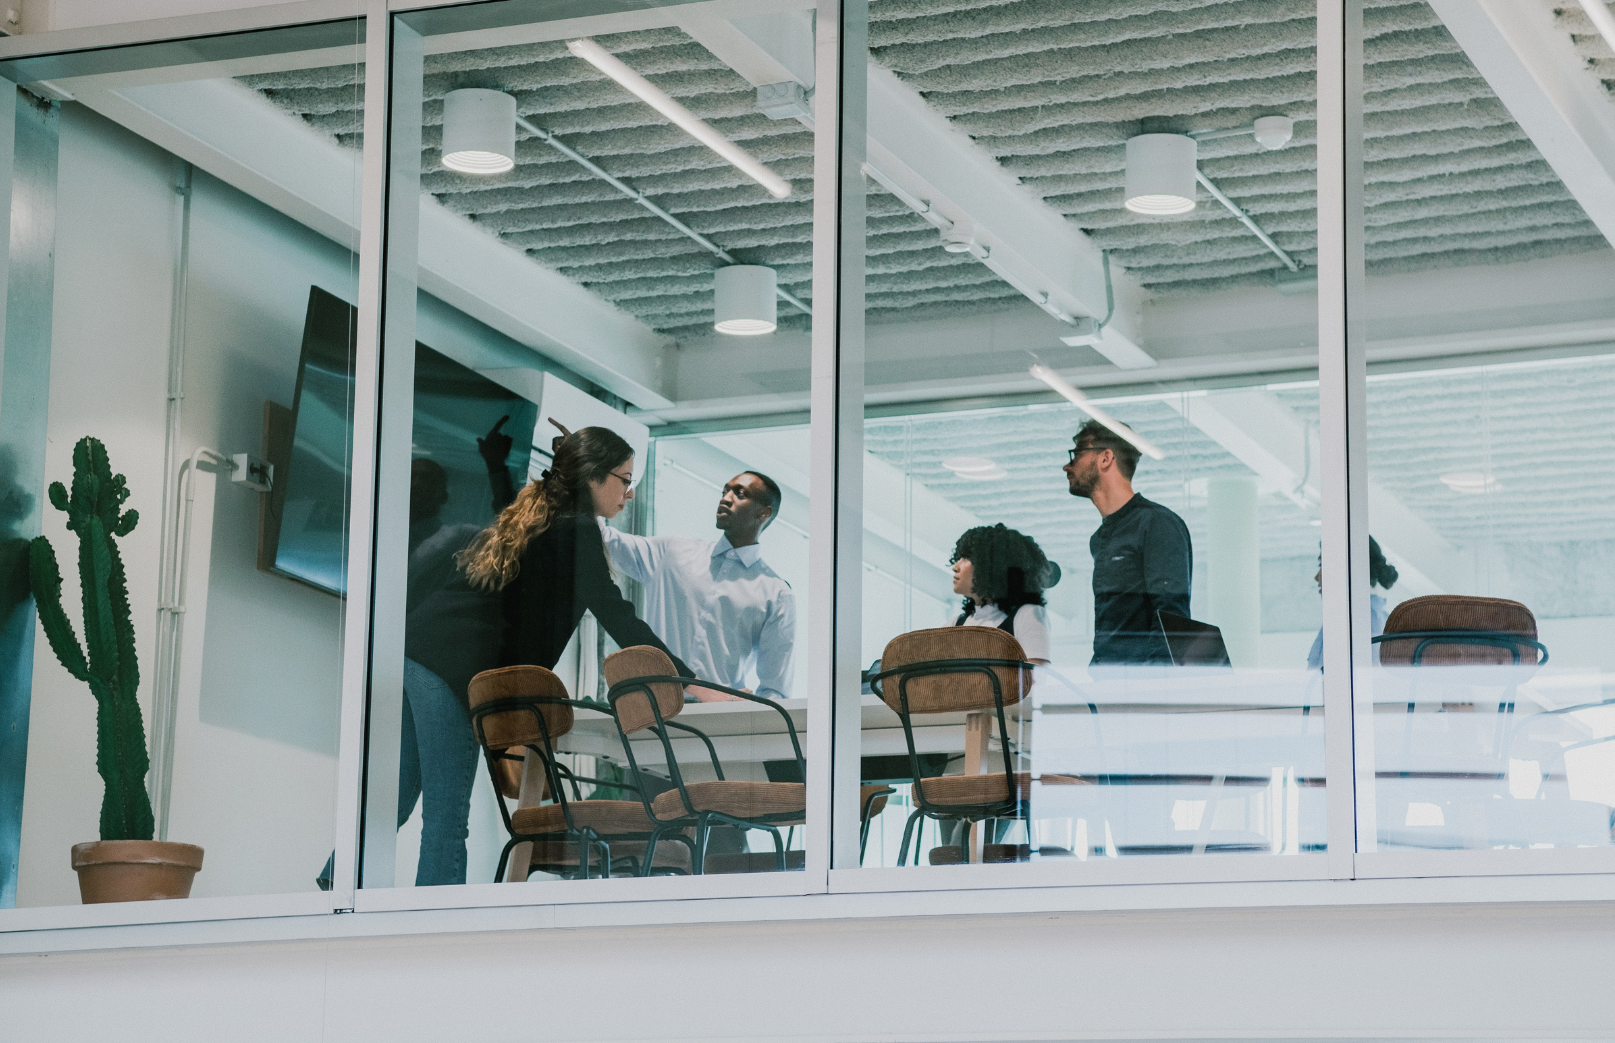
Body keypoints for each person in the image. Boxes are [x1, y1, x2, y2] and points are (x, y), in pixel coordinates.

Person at [459, 426, 692, 684]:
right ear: (593, 475)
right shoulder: (576, 528)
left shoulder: (546, 516)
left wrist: (498, 466)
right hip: (472, 680)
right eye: (626, 479)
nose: (630, 492)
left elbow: (505, 502)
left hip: (452, 662)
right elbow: (615, 613)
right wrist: (691, 682)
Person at [597, 471, 795, 701]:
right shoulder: (673, 552)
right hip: (651, 710)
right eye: (725, 490)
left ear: (764, 512)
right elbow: (603, 540)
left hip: (717, 721)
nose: (726, 498)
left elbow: (775, 690)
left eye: (740, 494)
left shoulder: (776, 593)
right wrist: (589, 478)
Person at [1063, 418, 1192, 665]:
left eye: (1076, 454)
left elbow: (1171, 616)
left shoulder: (1156, 523)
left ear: (1105, 458)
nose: (1067, 466)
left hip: (1141, 690)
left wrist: (1146, 688)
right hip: (1112, 685)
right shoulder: (1099, 539)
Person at [949, 523, 1055, 665]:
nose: (956, 567)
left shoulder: (1027, 614)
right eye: (959, 558)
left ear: (992, 566)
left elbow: (1035, 679)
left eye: (967, 558)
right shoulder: (955, 624)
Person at [1306, 536, 1397, 670]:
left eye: (1322, 565)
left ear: (1347, 568)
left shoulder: (1361, 618)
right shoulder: (1351, 615)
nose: (1317, 577)